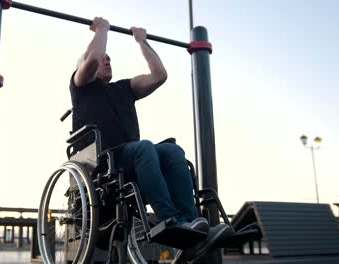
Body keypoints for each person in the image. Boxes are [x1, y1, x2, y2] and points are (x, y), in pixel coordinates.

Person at [69, 17, 232, 259]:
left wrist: (142, 42)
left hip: (132, 158)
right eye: (103, 57)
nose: (106, 59)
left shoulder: (124, 88)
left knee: (171, 151)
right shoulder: (81, 85)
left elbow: (159, 75)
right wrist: (102, 30)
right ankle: (170, 220)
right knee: (144, 148)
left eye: (109, 58)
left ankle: (190, 224)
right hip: (102, 162)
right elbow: (92, 58)